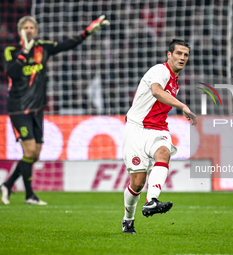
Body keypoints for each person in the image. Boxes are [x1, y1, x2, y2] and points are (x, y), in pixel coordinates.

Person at [1, 15, 109, 205]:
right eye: (25, 27)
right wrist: (24, 52)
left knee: (35, 154)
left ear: (36, 31)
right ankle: (29, 196)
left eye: (31, 27)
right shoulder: (11, 50)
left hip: (37, 109)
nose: (28, 30)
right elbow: (11, 73)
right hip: (18, 109)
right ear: (19, 31)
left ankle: (7, 185)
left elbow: (69, 44)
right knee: (30, 151)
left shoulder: (44, 48)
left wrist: (88, 30)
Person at [122, 39, 197, 234]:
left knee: (164, 153)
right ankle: (128, 219)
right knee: (137, 183)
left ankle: (151, 201)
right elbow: (156, 92)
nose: (182, 57)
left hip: (158, 128)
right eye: (178, 53)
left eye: (186, 55)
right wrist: (182, 106)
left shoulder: (175, 81)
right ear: (169, 55)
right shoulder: (159, 71)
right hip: (136, 128)